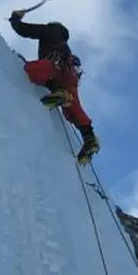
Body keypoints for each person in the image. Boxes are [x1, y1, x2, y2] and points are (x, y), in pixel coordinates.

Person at [9, 10, 100, 164]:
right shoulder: (65, 46)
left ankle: (62, 94)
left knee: (31, 71)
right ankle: (89, 137)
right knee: (73, 109)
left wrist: (15, 19)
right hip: (69, 76)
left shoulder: (51, 30)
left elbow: (25, 30)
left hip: (55, 67)